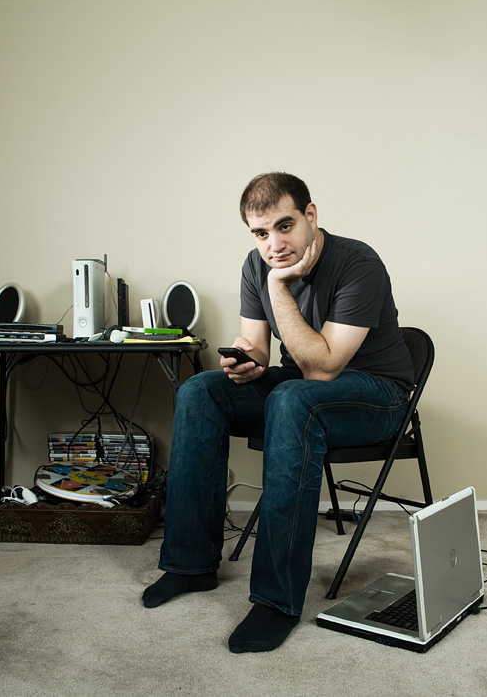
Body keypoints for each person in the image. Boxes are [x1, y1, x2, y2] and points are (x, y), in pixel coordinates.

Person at [142, 172, 414, 653]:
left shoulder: (358, 263)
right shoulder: (256, 264)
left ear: (311, 215)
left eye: (284, 227)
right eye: (261, 233)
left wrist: (279, 286)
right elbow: (263, 351)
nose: (273, 244)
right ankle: (190, 565)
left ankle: (276, 600)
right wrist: (245, 361)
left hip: (378, 396)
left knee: (293, 399)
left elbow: (325, 367)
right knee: (200, 391)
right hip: (305, 390)